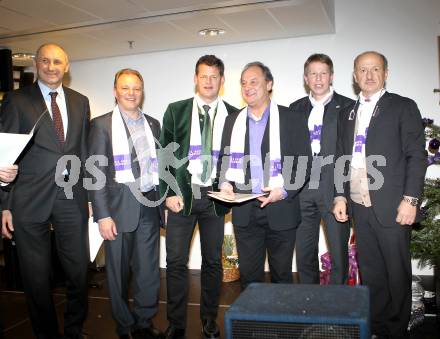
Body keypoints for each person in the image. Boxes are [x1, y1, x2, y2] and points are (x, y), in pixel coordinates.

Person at [333, 51, 427, 338]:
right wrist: (339, 195)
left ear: (386, 73)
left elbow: (416, 156)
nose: (369, 75)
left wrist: (410, 200)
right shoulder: (346, 113)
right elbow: (340, 157)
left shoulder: (402, 106)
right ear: (354, 75)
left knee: (396, 273)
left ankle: (396, 330)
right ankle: (377, 325)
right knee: (371, 270)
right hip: (359, 206)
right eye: (363, 70)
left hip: (393, 205)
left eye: (375, 69)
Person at [0, 43, 90, 339]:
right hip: (28, 199)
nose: (52, 67)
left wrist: (89, 194)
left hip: (71, 197)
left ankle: (74, 329)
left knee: (78, 272)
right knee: (37, 278)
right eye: (45, 61)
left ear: (67, 66)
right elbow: (5, 154)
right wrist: (4, 204)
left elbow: (84, 152)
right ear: (36, 64)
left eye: (58, 62)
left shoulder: (81, 101)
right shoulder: (16, 100)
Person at [159, 55, 238, 339]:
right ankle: (177, 324)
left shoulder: (233, 114)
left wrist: (233, 184)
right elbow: (164, 155)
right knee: (176, 262)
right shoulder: (176, 110)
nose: (208, 81)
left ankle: (208, 319)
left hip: (216, 197)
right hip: (183, 194)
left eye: (214, 76)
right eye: (203, 76)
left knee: (213, 263)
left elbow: (237, 157)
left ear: (222, 80)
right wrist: (167, 193)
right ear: (195, 78)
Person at [219, 62, 311, 289]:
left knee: (282, 277)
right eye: (243, 83)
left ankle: (282, 325)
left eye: (254, 81)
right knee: (250, 279)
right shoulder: (233, 121)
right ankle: (252, 326)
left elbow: (304, 163)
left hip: (281, 209)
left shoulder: (292, 118)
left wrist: (285, 190)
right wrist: (225, 183)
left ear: (269, 84)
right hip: (245, 211)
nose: (247, 87)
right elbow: (225, 158)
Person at [88, 69, 164, 339]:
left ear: (142, 91)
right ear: (115, 91)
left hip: (149, 205)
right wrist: (102, 215)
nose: (131, 93)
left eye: (136, 88)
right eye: (125, 88)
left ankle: (144, 321)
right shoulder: (100, 125)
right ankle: (124, 325)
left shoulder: (153, 123)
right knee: (118, 273)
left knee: (148, 271)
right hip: (117, 210)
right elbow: (95, 173)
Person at [289, 54, 353, 284]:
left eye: (323, 73)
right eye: (313, 73)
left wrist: (342, 193)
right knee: (304, 252)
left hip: (333, 186)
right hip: (302, 188)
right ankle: (310, 301)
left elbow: (349, 152)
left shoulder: (347, 107)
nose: (318, 78)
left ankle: (338, 307)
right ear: (306, 78)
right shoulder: (294, 109)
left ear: (331, 76)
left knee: (338, 253)